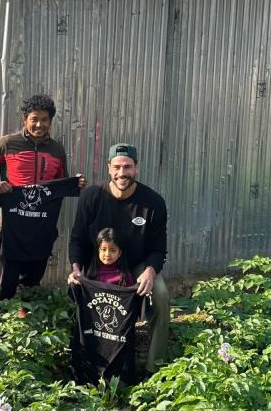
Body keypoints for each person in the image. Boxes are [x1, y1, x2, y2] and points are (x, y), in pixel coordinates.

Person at [0, 94, 86, 300]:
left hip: (42, 226)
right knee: (5, 279)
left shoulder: (56, 149)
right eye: (34, 119)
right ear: (25, 119)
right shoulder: (7, 143)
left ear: (51, 121)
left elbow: (59, 183)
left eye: (45, 120)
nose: (39, 124)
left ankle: (26, 318)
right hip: (11, 223)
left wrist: (74, 184)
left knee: (32, 281)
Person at [68, 143, 169, 376]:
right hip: (99, 265)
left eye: (128, 167)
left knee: (162, 296)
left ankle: (155, 367)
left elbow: (158, 249)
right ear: (109, 168)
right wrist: (75, 269)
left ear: (137, 168)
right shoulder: (92, 196)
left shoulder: (153, 203)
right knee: (77, 294)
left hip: (136, 264)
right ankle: (84, 358)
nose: (122, 173)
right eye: (117, 167)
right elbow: (77, 240)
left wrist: (150, 272)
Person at [70, 228, 140, 385]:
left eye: (112, 250)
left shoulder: (125, 276)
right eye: (103, 249)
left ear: (120, 253)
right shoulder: (91, 273)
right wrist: (77, 283)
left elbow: (130, 303)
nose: (107, 254)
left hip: (114, 335)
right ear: (98, 250)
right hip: (93, 332)